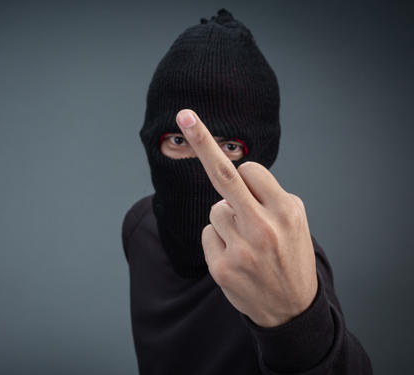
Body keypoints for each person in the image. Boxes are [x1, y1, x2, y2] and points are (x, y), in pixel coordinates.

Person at [121, 9, 373, 375]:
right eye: (178, 140)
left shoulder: (285, 257)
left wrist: (299, 323)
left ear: (262, 152)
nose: (204, 164)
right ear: (152, 141)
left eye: (229, 146)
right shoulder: (140, 227)